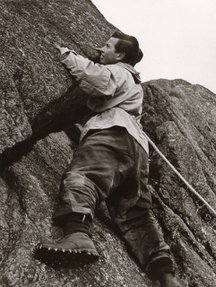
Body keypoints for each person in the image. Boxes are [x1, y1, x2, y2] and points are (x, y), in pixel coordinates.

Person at [34, 31, 181, 287]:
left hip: (113, 133)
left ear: (121, 55)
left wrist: (66, 53)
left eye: (107, 46)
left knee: (84, 176)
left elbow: (97, 79)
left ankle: (78, 234)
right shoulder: (134, 84)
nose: (100, 49)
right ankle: (164, 273)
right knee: (135, 212)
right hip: (137, 149)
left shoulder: (120, 71)